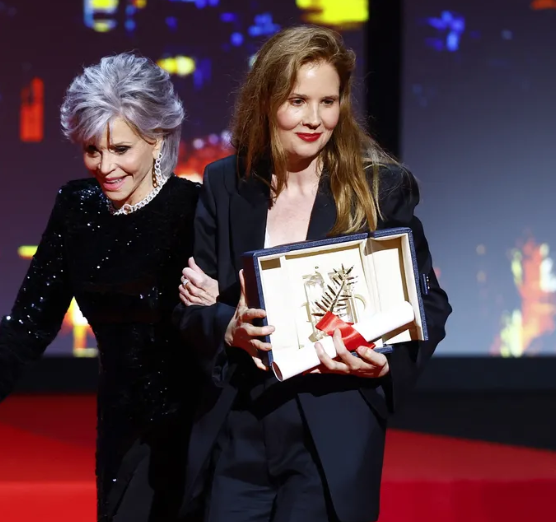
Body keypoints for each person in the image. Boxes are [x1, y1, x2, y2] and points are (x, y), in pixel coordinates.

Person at [174, 26, 452, 522]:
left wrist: (384, 363)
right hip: (240, 429)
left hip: (330, 432)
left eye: (328, 101)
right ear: (265, 100)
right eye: (297, 100)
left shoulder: (378, 188)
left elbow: (429, 301)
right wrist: (227, 328)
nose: (314, 119)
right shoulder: (223, 182)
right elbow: (192, 310)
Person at [0, 53, 219, 522]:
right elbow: (29, 321)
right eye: (92, 150)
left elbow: (229, 316)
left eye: (120, 149)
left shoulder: (195, 209)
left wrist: (216, 299)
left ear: (158, 140)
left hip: (194, 426)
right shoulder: (76, 206)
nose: (105, 166)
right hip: (120, 428)